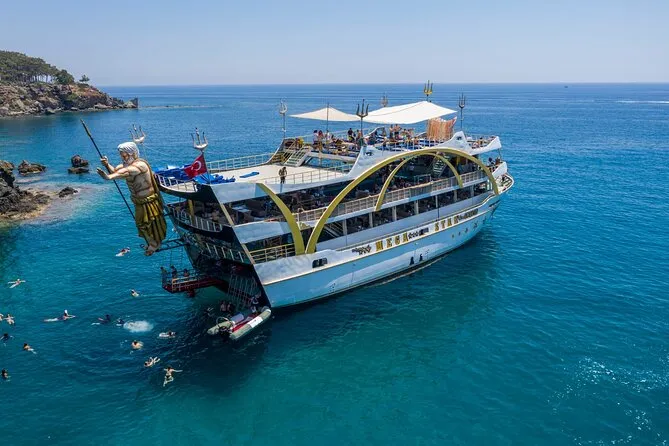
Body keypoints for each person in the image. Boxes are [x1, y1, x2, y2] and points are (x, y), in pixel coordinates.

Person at [97, 142, 167, 256]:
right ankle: (152, 242)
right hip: (139, 201)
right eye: (121, 156)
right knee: (141, 224)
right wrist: (107, 165)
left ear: (132, 153)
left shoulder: (140, 165)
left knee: (150, 223)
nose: (123, 158)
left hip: (149, 200)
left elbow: (127, 171)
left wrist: (109, 177)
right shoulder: (124, 166)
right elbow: (116, 171)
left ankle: (155, 244)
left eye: (125, 156)